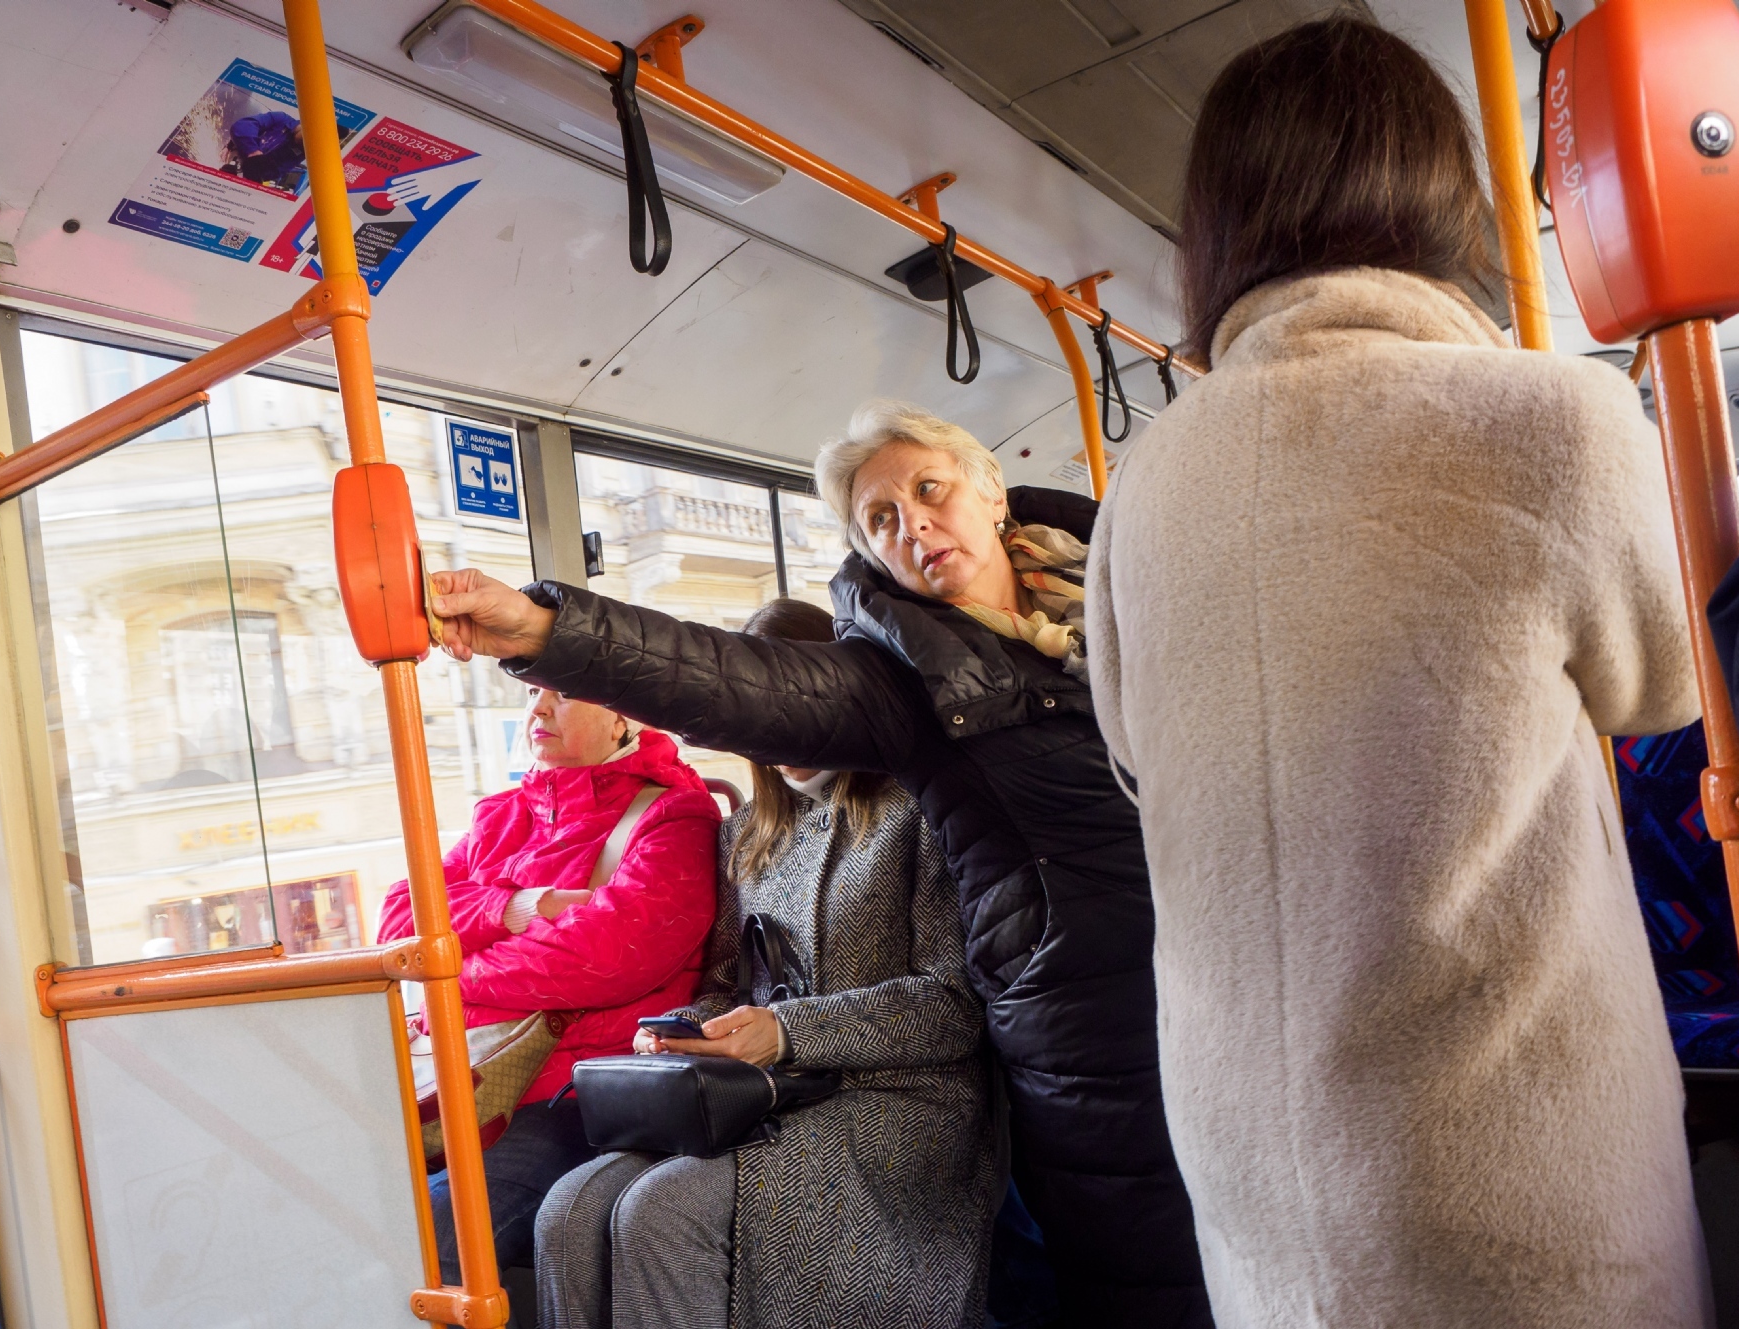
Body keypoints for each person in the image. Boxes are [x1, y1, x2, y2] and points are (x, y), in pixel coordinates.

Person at [1084, 18, 1706, 1327]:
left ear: (1213, 236)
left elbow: (1135, 749)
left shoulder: (1141, 481)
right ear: (1449, 204)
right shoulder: (1558, 420)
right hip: (1515, 1169)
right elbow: (1671, 687)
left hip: (1252, 1168)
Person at [428, 402, 1210, 1325]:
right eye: (879, 518)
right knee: (1146, 1279)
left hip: (1212, 967)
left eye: (929, 490)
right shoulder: (898, 690)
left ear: (990, 491)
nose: (912, 523)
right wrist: (541, 630)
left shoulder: (1143, 594)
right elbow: (732, 681)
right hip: (1074, 1019)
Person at [534, 597, 996, 1329]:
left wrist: (783, 1030)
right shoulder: (747, 831)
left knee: (662, 1212)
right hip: (768, 1093)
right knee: (568, 1208)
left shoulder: (919, 808)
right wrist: (688, 1029)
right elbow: (726, 983)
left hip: (905, 1103)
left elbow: (953, 1004)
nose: (774, 733)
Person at [377, 684, 719, 1285]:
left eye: (562, 694)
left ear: (622, 715)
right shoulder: (501, 814)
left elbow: (608, 954)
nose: (536, 708)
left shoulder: (674, 813)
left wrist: (453, 975)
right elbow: (399, 920)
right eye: (532, 691)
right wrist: (520, 908)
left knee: (431, 1243)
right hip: (462, 1083)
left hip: (572, 1094)